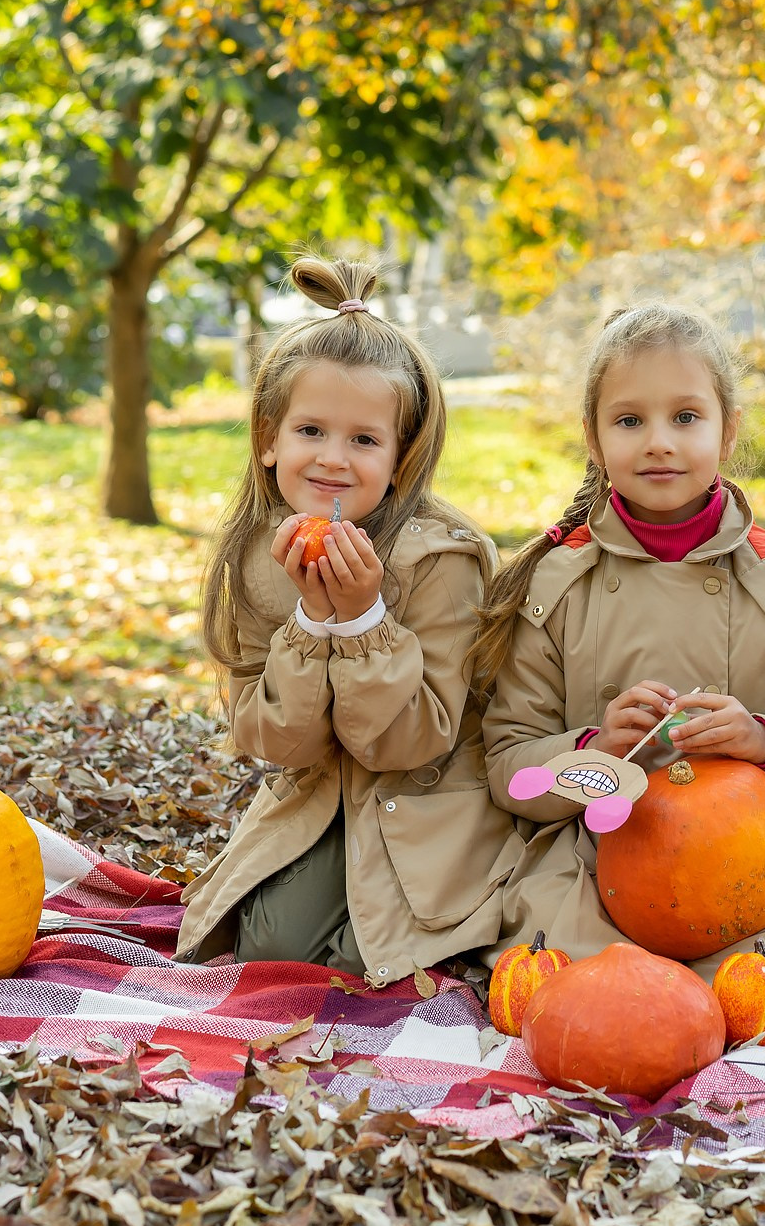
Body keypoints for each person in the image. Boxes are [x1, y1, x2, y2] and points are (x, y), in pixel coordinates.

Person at [472, 304, 765, 1005]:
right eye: (630, 420)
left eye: (686, 417)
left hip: (758, 867)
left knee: (753, 1006)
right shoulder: (557, 585)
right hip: (598, 861)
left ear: (728, 431)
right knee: (592, 1007)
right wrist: (595, 748)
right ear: (594, 440)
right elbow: (509, 766)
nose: (659, 441)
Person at [177, 256, 523, 986]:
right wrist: (311, 621)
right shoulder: (258, 555)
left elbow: (410, 741)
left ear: (401, 457)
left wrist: (363, 619)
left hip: (424, 799)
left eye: (364, 439)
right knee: (272, 955)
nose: (333, 459)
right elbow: (274, 739)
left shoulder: (442, 560)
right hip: (321, 794)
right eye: (311, 430)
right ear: (270, 438)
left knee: (373, 964)